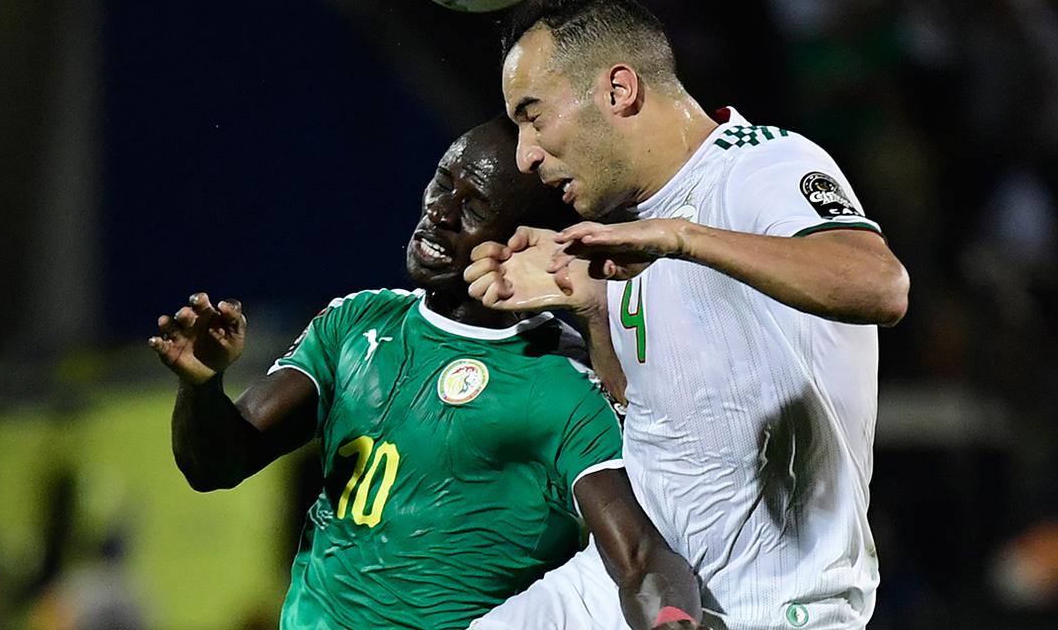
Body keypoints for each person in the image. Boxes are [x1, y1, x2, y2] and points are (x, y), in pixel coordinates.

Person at [465, 0, 911, 630]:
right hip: (637, 590)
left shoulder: (762, 165)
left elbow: (880, 284)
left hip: (773, 610)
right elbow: (650, 419)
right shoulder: (626, 227)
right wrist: (591, 309)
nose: (526, 156)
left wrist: (683, 238)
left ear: (618, 89)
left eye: (533, 116)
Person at [148, 117, 703, 630]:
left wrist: (669, 620)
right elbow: (218, 464)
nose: (440, 211)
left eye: (475, 206)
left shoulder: (560, 381)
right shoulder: (356, 323)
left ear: (523, 236)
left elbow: (639, 556)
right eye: (443, 181)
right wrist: (201, 386)